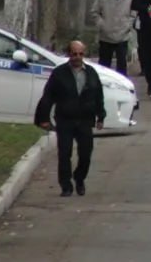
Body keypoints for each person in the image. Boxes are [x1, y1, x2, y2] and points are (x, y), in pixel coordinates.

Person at [34, 41, 105, 197]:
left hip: (85, 119)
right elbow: (48, 96)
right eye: (74, 54)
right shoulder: (59, 73)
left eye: (80, 54)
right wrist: (43, 118)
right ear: (69, 54)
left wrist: (101, 116)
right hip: (65, 119)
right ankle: (66, 186)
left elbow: (98, 95)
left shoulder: (91, 73)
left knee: (85, 154)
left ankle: (79, 179)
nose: (77, 57)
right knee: (64, 153)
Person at [89, 0, 133, 75]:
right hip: (105, 36)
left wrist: (128, 26)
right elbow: (94, 12)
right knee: (104, 65)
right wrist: (101, 24)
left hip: (122, 36)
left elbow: (134, 14)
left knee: (122, 65)